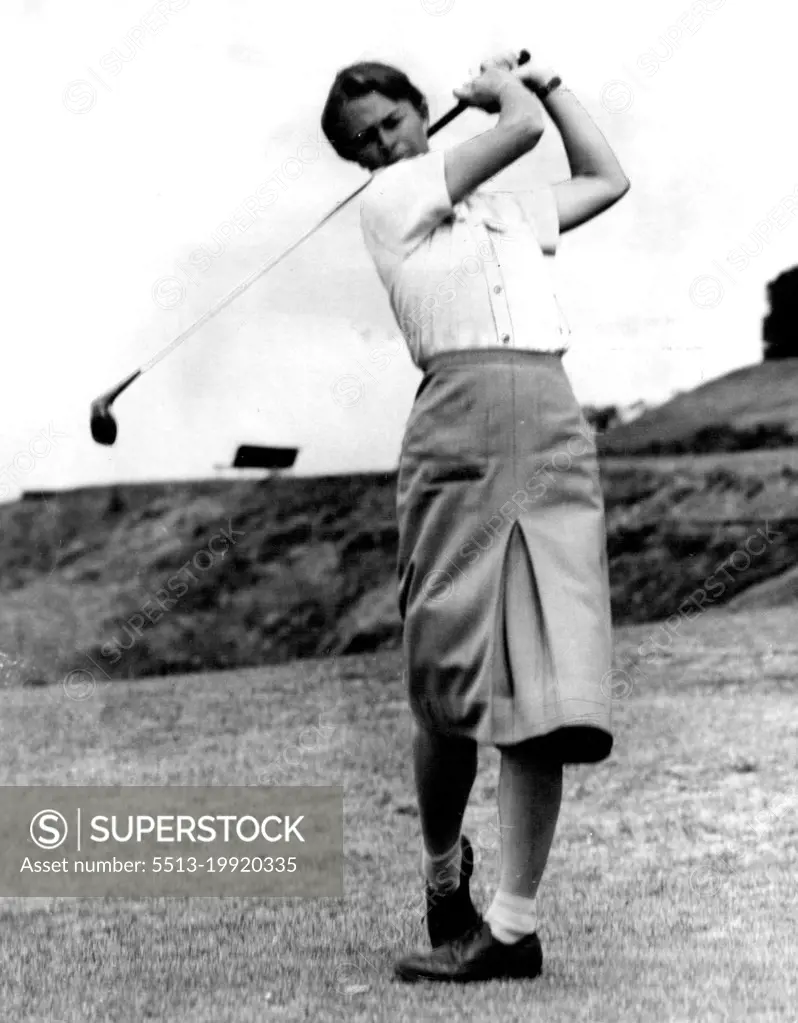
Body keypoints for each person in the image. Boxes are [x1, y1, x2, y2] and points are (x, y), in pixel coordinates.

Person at [321, 49, 629, 983]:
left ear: (421, 108)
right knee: (447, 680)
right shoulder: (392, 200)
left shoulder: (507, 210)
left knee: (548, 688)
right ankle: (440, 867)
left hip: (548, 420)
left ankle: (511, 925)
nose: (386, 141)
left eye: (395, 118)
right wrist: (501, 91)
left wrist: (550, 83)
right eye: (365, 139)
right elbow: (521, 132)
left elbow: (607, 178)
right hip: (455, 425)